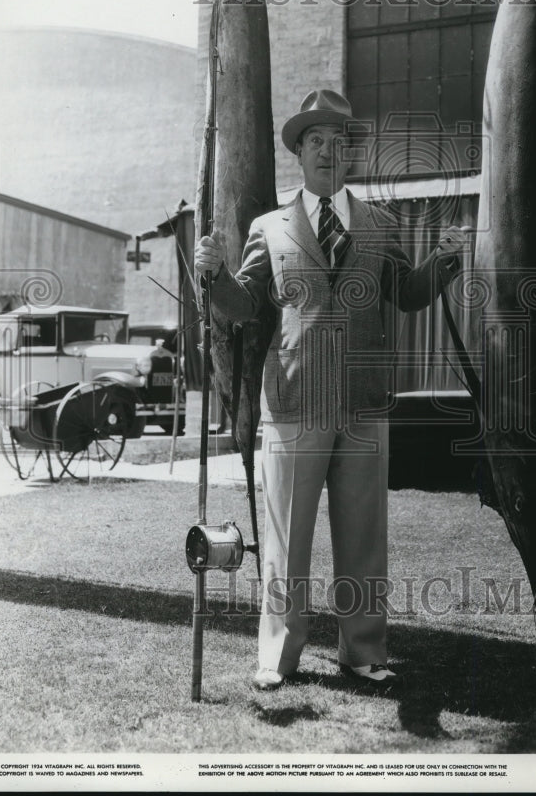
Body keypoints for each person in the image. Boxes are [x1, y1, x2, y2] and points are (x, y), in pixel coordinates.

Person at [195, 89, 469, 691]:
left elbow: (411, 293)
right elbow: (242, 305)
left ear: (349, 154)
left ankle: (363, 651)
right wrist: (212, 276)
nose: (327, 151)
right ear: (298, 153)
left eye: (338, 142)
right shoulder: (269, 227)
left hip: (365, 401)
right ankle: (278, 654)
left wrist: (445, 262)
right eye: (315, 141)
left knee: (364, 534)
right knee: (287, 537)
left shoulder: (379, 223)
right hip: (294, 399)